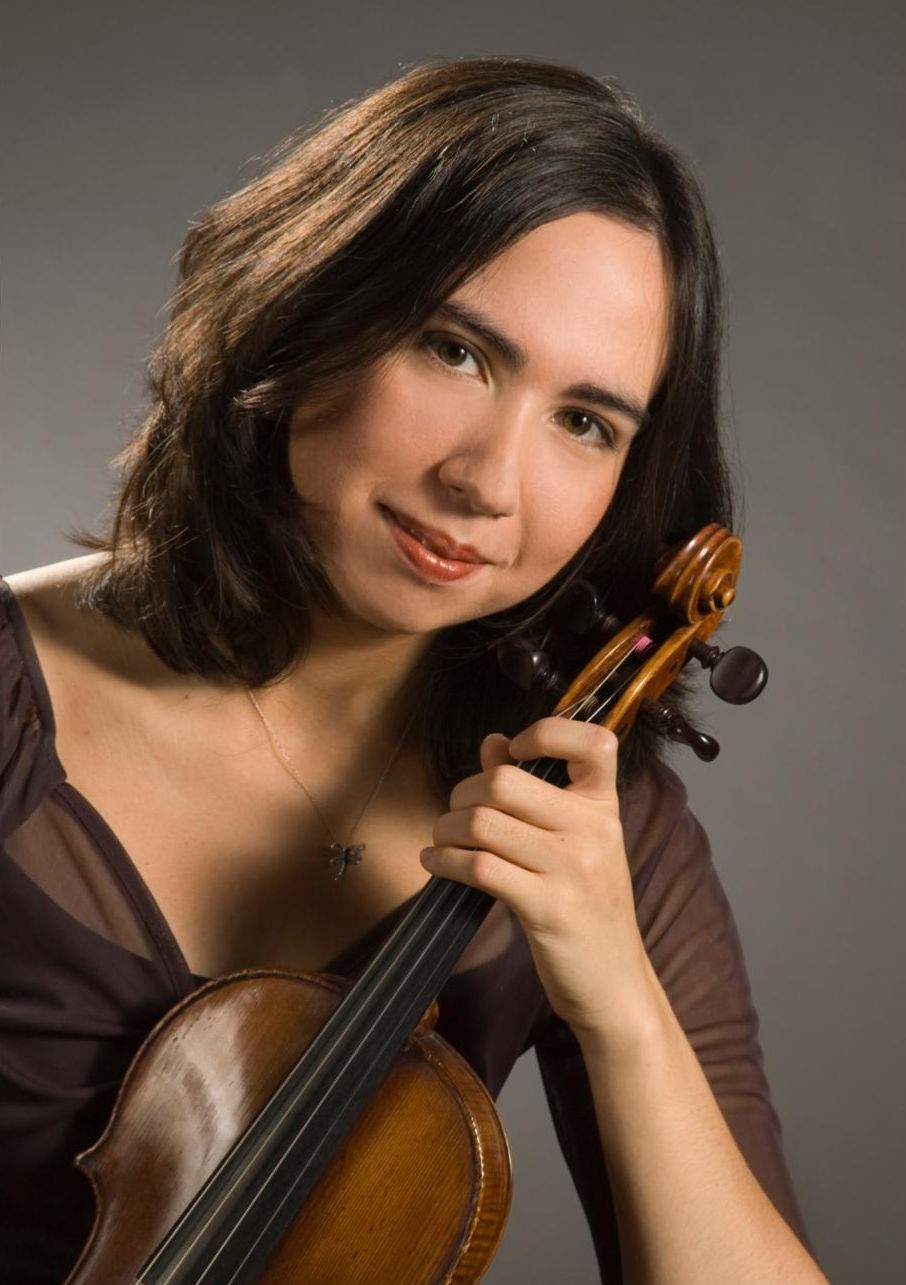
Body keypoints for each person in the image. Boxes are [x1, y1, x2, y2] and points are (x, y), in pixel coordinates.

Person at [0, 54, 828, 1284]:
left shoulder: (600, 833)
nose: (487, 482)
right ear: (309, 310)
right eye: (454, 351)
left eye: (584, 422)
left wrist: (619, 1003)